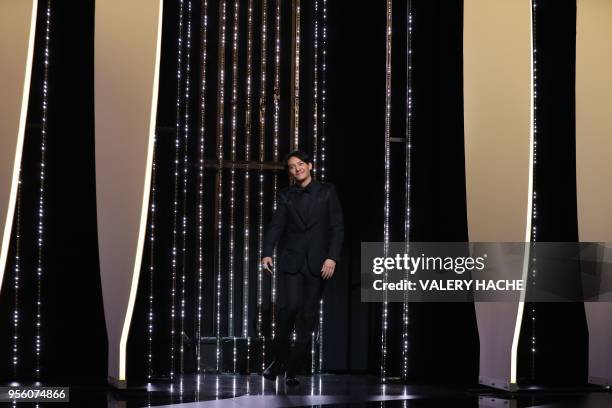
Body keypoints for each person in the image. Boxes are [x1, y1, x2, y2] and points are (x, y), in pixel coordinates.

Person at [260, 150, 344, 386]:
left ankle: (293, 369)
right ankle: (278, 361)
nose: (296, 169)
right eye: (291, 166)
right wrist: (267, 252)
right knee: (288, 310)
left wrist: (332, 258)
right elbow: (276, 225)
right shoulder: (285, 195)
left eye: (300, 164)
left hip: (318, 264)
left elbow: (337, 227)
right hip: (292, 262)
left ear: (310, 165)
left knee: (308, 317)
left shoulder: (327, 191)